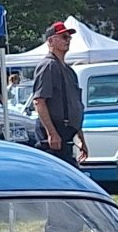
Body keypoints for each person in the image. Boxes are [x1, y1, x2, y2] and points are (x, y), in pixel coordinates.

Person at [31, 22, 87, 167]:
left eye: (69, 37)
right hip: (54, 132)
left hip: (67, 133)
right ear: (50, 41)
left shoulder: (69, 71)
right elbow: (39, 101)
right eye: (64, 36)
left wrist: (81, 137)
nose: (68, 40)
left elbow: (75, 104)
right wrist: (51, 133)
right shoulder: (48, 66)